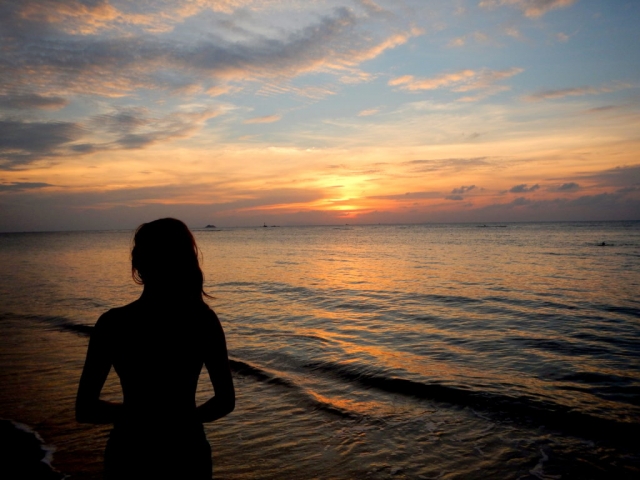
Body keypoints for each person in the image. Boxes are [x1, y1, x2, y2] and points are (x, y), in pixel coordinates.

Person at [76, 218, 235, 479]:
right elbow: (225, 401)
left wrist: (137, 416)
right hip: (186, 450)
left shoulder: (112, 323)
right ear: (187, 261)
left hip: (129, 450)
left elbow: (86, 408)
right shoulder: (202, 319)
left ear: (138, 263)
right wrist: (182, 421)